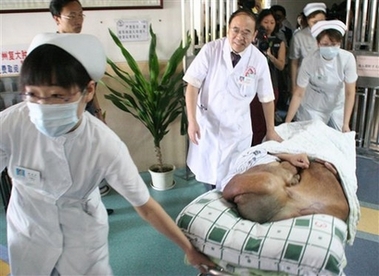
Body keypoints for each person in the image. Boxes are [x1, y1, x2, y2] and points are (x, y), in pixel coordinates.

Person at [0, 33, 214, 275]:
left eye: (58, 96)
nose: (43, 106)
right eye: (33, 95)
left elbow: (145, 206)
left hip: (82, 237)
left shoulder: (103, 143)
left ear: (88, 91)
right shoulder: (11, 124)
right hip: (29, 232)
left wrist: (188, 248)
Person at [184, 8, 282, 191]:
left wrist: (271, 130)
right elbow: (192, 85)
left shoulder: (258, 60)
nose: (240, 36)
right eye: (235, 30)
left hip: (238, 129)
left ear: (254, 35)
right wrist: (192, 121)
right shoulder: (211, 50)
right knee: (210, 177)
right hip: (208, 125)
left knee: (233, 179)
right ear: (228, 30)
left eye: (246, 32)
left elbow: (267, 98)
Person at [50, 0, 113, 204]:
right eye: (72, 16)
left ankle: (90, 203)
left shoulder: (85, 46)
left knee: (89, 160)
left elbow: (91, 84)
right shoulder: (49, 49)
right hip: (62, 116)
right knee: (67, 164)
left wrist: (98, 113)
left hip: (85, 111)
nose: (78, 21)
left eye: (81, 15)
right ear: (56, 18)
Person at [285, 20, 357, 132]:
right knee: (311, 139)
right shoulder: (309, 60)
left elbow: (350, 92)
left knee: (337, 139)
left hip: (336, 105)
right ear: (318, 44)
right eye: (325, 44)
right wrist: (287, 123)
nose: (329, 48)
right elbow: (299, 93)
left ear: (339, 43)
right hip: (313, 107)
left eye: (334, 45)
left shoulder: (347, 59)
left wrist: (346, 123)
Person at [250, 9, 286, 145]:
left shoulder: (279, 42)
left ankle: (264, 146)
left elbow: (281, 66)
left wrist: (270, 56)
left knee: (266, 118)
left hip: (272, 83)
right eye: (265, 22)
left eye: (272, 22)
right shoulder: (252, 40)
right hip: (251, 83)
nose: (269, 25)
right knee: (252, 117)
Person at [289, 2, 326, 93]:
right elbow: (294, 63)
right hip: (305, 82)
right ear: (308, 21)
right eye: (314, 22)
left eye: (321, 21)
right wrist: (293, 87)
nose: (318, 25)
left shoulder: (330, 34)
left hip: (326, 81)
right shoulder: (299, 36)